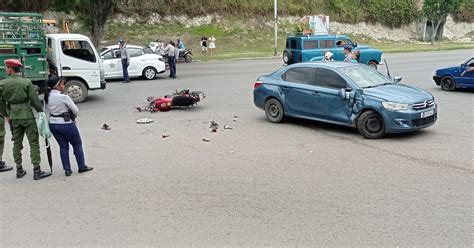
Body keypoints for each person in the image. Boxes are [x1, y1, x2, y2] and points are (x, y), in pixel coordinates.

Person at [0, 59, 51, 180]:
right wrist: (41, 112)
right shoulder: (26, 82)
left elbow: (1, 102)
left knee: (16, 143)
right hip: (27, 115)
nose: (6, 70)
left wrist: (6, 115)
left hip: (14, 116)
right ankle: (37, 170)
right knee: (33, 142)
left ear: (11, 70)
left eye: (6, 68)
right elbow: (34, 100)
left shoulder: (3, 84)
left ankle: (19, 169)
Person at [44, 76, 93, 177]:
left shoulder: (46, 97)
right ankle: (82, 166)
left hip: (53, 124)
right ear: (57, 86)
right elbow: (75, 110)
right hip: (66, 124)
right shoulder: (64, 97)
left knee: (63, 146)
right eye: (62, 84)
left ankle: (67, 169)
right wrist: (72, 117)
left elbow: (46, 111)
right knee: (77, 144)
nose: (63, 86)